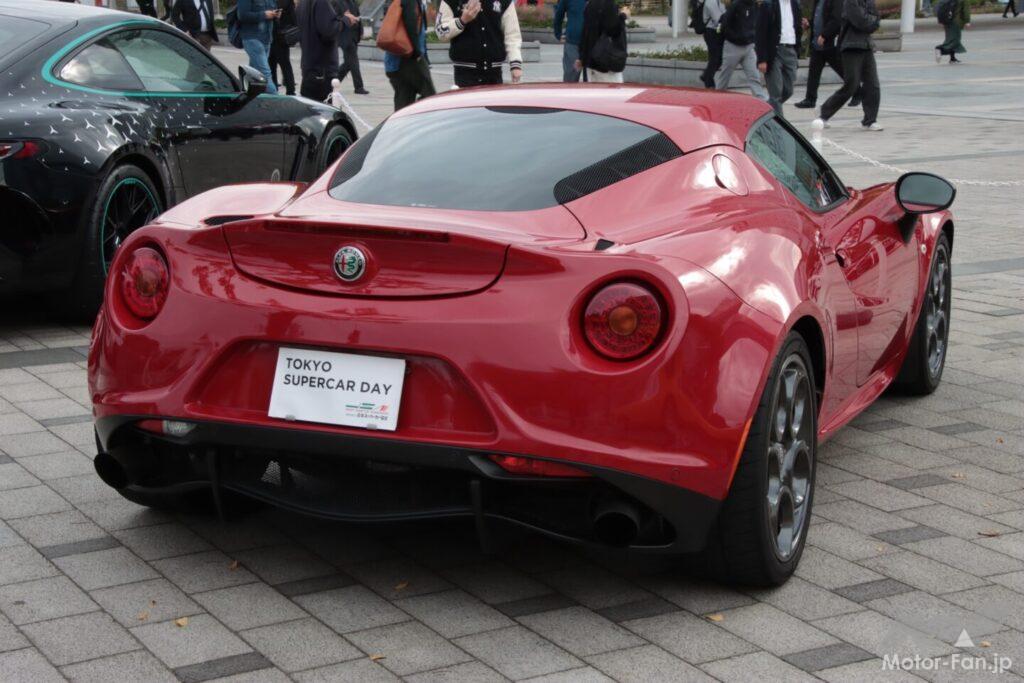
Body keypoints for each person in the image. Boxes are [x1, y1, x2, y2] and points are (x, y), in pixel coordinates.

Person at [814, 0, 882, 131]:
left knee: (873, 84)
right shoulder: (850, 2)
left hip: (866, 46)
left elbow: (876, 19)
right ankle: (824, 112)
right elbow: (860, 21)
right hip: (851, 46)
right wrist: (872, 20)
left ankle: (870, 120)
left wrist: (872, 20)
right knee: (851, 84)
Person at [436, 0, 523, 86]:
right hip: (464, 73)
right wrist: (462, 21)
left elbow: (512, 35)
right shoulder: (451, 2)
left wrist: (515, 64)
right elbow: (440, 32)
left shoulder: (505, 2)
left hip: (494, 73)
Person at [794, 0, 861, 109]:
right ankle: (810, 99)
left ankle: (858, 92)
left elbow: (836, 21)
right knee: (813, 73)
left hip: (830, 44)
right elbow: (820, 19)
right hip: (817, 44)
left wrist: (825, 35)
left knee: (842, 70)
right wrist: (809, 23)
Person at [385, 0, 436, 109]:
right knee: (431, 99)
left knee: (403, 104)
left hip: (396, 60)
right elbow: (411, 25)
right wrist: (417, 54)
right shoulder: (409, 1)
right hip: (409, 58)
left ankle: (406, 118)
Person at [714, 0, 768, 101]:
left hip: (749, 47)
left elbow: (757, 25)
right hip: (733, 46)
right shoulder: (736, 5)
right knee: (725, 76)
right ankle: (717, 98)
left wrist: (752, 38)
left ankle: (762, 100)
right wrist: (734, 36)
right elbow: (724, 24)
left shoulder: (755, 6)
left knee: (754, 76)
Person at [756, 0, 802, 117]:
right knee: (775, 93)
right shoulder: (768, 4)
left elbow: (797, 28)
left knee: (788, 90)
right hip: (774, 51)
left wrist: (797, 50)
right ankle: (780, 124)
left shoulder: (795, 4)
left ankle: (764, 112)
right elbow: (760, 32)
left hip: (790, 49)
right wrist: (762, 59)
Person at [576, 0, 629, 83]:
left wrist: (581, 57)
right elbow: (613, 30)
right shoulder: (608, 3)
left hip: (591, 62)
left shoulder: (590, 4)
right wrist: (623, 15)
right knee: (613, 90)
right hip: (605, 63)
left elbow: (585, 33)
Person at [297, 0, 341, 101]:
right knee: (324, 108)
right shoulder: (321, 2)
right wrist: (345, 21)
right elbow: (329, 31)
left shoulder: (302, 3)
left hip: (309, 66)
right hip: (322, 69)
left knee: (310, 106)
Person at [238, 0, 281, 94]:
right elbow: (242, 15)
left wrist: (275, 14)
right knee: (265, 73)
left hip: (267, 39)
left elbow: (272, 11)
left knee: (254, 73)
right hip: (252, 38)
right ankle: (276, 98)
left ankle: (248, 97)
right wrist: (264, 15)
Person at [335, 0, 369, 94]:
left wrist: (361, 31)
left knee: (348, 63)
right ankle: (359, 87)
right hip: (345, 37)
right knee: (354, 61)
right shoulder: (337, 2)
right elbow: (335, 18)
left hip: (354, 36)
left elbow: (358, 16)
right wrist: (347, 18)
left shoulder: (353, 2)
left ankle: (333, 81)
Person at [268, 0, 297, 96]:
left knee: (273, 65)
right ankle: (290, 90)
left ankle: (275, 90)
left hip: (275, 36)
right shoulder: (287, 2)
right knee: (285, 65)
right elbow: (294, 20)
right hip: (281, 36)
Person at [553, 0, 586, 82]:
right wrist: (558, 34)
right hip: (573, 43)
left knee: (592, 81)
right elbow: (558, 15)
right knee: (571, 79)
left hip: (592, 43)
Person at [701, 0, 726, 88]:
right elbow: (717, 19)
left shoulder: (720, 1)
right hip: (711, 32)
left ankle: (706, 75)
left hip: (719, 32)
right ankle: (708, 81)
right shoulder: (710, 2)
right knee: (715, 58)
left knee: (720, 58)